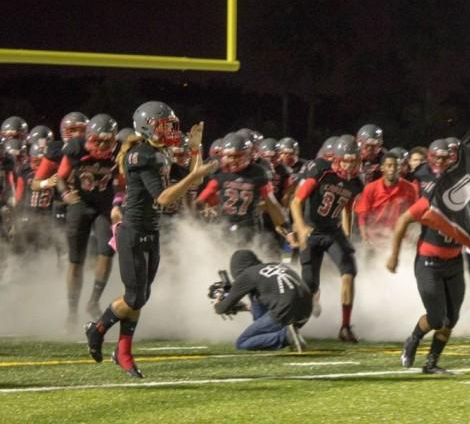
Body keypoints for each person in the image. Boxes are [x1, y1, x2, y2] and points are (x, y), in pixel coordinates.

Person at [85, 101, 217, 378]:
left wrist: (196, 148)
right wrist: (194, 174)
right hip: (132, 230)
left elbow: (195, 183)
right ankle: (97, 329)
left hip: (151, 229)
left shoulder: (161, 153)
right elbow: (165, 197)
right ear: (148, 126)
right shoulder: (142, 155)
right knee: (134, 296)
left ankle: (122, 353)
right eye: (164, 124)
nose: (170, 129)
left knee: (140, 297)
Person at [386, 139, 470, 374]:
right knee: (436, 317)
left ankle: (431, 363)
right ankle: (413, 339)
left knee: (451, 319)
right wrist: (394, 254)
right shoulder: (432, 196)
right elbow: (403, 220)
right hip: (428, 263)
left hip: (453, 262)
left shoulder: (468, 203)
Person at [290, 134, 364, 342]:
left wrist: (347, 236)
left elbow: (347, 209)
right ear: (336, 159)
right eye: (346, 160)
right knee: (309, 286)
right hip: (312, 231)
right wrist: (301, 227)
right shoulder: (321, 171)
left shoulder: (356, 182)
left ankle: (345, 326)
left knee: (349, 272)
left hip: (333, 231)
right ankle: (295, 324)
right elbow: (296, 202)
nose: (349, 165)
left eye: (353, 160)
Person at [54, 113, 122, 326]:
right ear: (88, 137)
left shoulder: (119, 151)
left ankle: (93, 301)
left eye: (107, 140)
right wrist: (65, 194)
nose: (102, 145)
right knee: (76, 259)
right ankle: (72, 311)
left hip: (105, 205)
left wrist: (118, 205)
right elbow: (60, 177)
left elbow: (121, 183)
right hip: (80, 204)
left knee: (107, 251)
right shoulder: (76, 147)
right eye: (97, 140)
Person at [211, 249, 312, 351]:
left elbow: (221, 309)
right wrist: (242, 307)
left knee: (242, 342)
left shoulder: (247, 275)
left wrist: (217, 301)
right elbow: (267, 299)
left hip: (285, 310)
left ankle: (286, 337)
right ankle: (290, 333)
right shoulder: (276, 265)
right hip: (306, 310)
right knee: (256, 296)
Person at [354, 151, 418, 243]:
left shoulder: (410, 188)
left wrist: (413, 235)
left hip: (400, 239)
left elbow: (414, 214)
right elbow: (362, 216)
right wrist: (365, 238)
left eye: (395, 166)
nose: (392, 169)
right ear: (382, 168)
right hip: (375, 238)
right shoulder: (371, 188)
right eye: (389, 165)